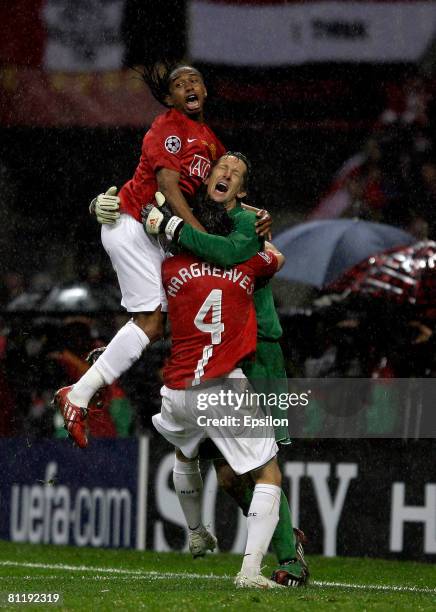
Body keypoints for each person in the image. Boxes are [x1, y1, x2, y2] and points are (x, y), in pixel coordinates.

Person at [53, 61, 271, 448]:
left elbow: (224, 195)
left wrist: (258, 215)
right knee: (152, 323)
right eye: (179, 83)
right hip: (133, 224)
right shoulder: (167, 128)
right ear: (170, 97)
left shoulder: (211, 142)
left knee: (175, 315)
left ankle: (112, 356)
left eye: (195, 80)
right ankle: (80, 393)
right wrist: (202, 239)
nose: (188, 85)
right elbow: (169, 189)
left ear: (205, 92)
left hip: (157, 234)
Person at [144, 152, 308, 587]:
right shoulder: (198, 215)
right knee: (229, 475)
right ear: (207, 176)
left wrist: (174, 229)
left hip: (258, 351)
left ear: (243, 190)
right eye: (222, 168)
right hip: (212, 356)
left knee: (263, 458)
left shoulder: (248, 225)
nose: (227, 174)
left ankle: (289, 557)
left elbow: (240, 254)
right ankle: (273, 535)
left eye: (236, 173)